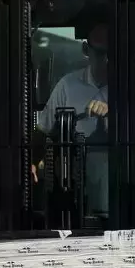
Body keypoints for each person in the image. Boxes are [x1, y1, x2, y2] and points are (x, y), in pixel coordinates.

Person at [37, 23, 110, 215]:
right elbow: (44, 128)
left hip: (118, 173)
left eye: (112, 54)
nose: (106, 61)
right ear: (87, 50)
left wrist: (113, 114)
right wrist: (32, 162)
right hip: (75, 174)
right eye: (101, 54)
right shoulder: (68, 85)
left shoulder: (133, 87)